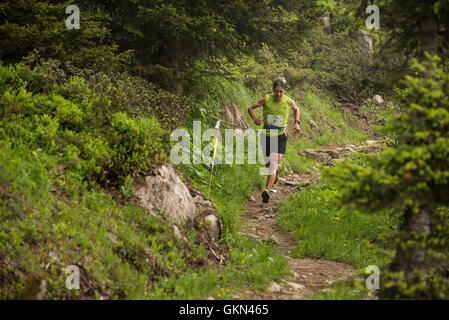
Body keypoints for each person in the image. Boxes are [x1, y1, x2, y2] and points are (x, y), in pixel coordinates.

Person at [247, 77, 300, 203]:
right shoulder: (266, 99)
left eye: (281, 91)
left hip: (280, 137)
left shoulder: (288, 101)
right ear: (273, 90)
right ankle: (275, 173)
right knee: (269, 165)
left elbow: (296, 109)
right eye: (276, 91)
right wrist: (255, 118)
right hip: (266, 136)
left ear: (285, 90)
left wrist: (297, 123)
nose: (278, 94)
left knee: (273, 162)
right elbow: (250, 108)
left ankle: (266, 190)